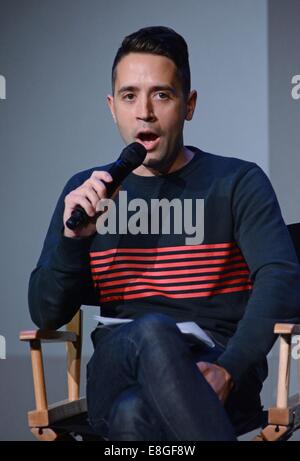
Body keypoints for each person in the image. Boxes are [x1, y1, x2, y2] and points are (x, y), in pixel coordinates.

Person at [28, 26, 300, 441]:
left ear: (188, 105)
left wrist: (229, 368)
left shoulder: (237, 181)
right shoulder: (87, 191)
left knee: (133, 415)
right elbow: (46, 313)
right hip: (117, 367)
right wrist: (73, 241)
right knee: (152, 330)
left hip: (218, 371)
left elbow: (281, 280)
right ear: (112, 107)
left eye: (162, 94)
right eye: (129, 96)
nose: (145, 112)